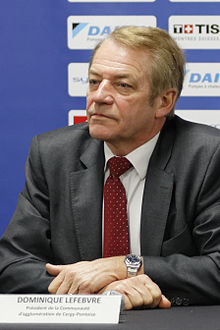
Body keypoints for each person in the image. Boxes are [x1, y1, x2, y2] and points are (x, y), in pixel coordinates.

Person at [0, 26, 220, 310]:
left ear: (164, 101)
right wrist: (104, 290)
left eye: (122, 85)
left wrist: (125, 267)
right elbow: (11, 264)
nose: (99, 97)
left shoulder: (206, 156)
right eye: (94, 82)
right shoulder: (53, 154)